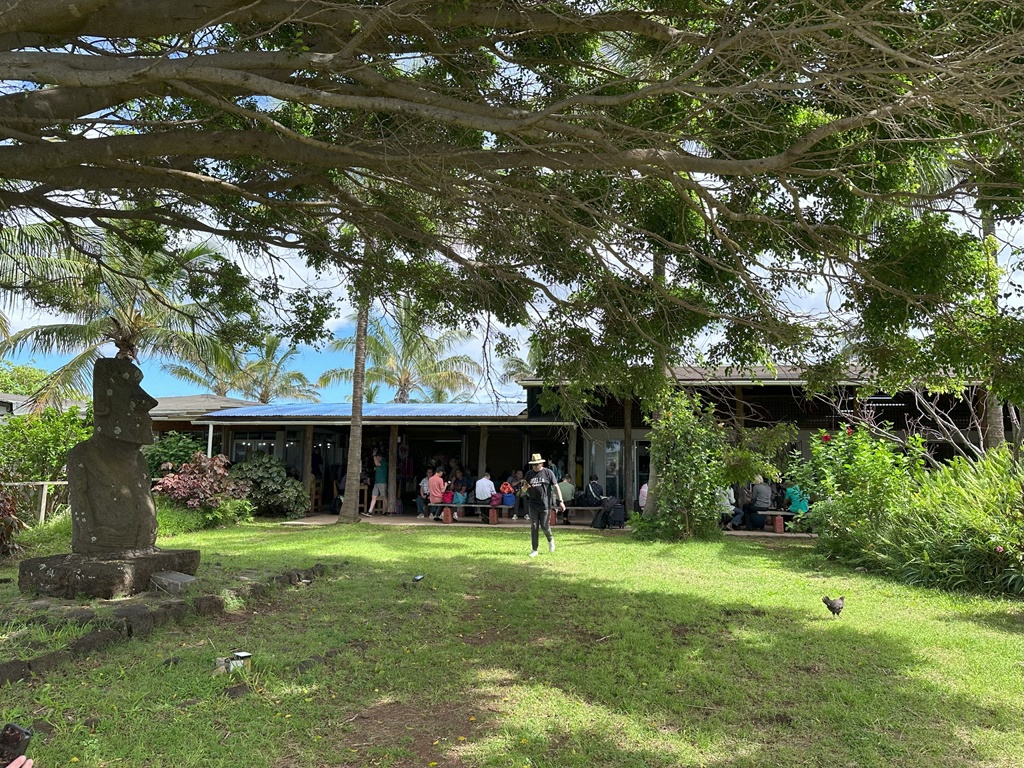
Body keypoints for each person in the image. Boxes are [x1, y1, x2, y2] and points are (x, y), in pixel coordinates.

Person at [524, 452, 563, 557]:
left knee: (545, 526)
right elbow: (523, 489)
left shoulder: (548, 473)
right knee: (534, 526)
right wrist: (525, 487)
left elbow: (556, 487)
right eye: (533, 464)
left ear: (541, 463)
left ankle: (550, 539)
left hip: (545, 504)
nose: (534, 466)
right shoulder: (529, 474)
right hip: (533, 504)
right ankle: (534, 549)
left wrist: (561, 501)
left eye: (536, 464)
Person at [363, 451, 388, 516]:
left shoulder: (383, 463)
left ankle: (387, 510)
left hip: (382, 482)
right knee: (373, 496)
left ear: (380, 457)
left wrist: (374, 455)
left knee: (384, 497)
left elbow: (376, 463)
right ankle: (370, 511)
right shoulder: (378, 464)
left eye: (377, 458)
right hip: (376, 483)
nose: (376, 459)